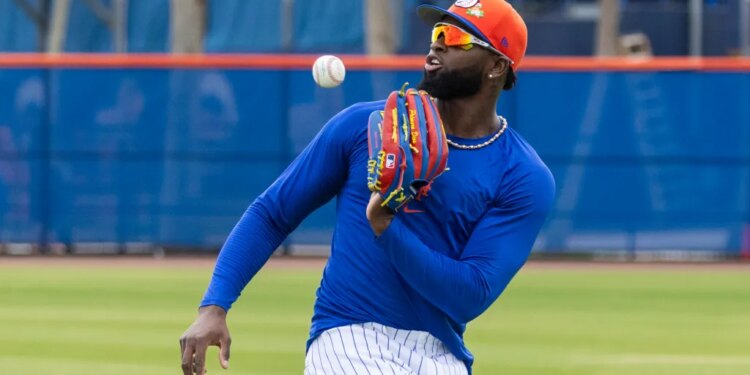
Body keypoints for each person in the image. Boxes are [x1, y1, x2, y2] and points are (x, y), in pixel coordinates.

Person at [179, 1, 555, 374]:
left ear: (496, 66)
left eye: (456, 37)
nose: (437, 44)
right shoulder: (369, 126)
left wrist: (387, 227)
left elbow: (469, 295)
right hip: (348, 338)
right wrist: (214, 305)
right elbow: (273, 213)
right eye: (438, 32)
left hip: (442, 355)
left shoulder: (522, 175)